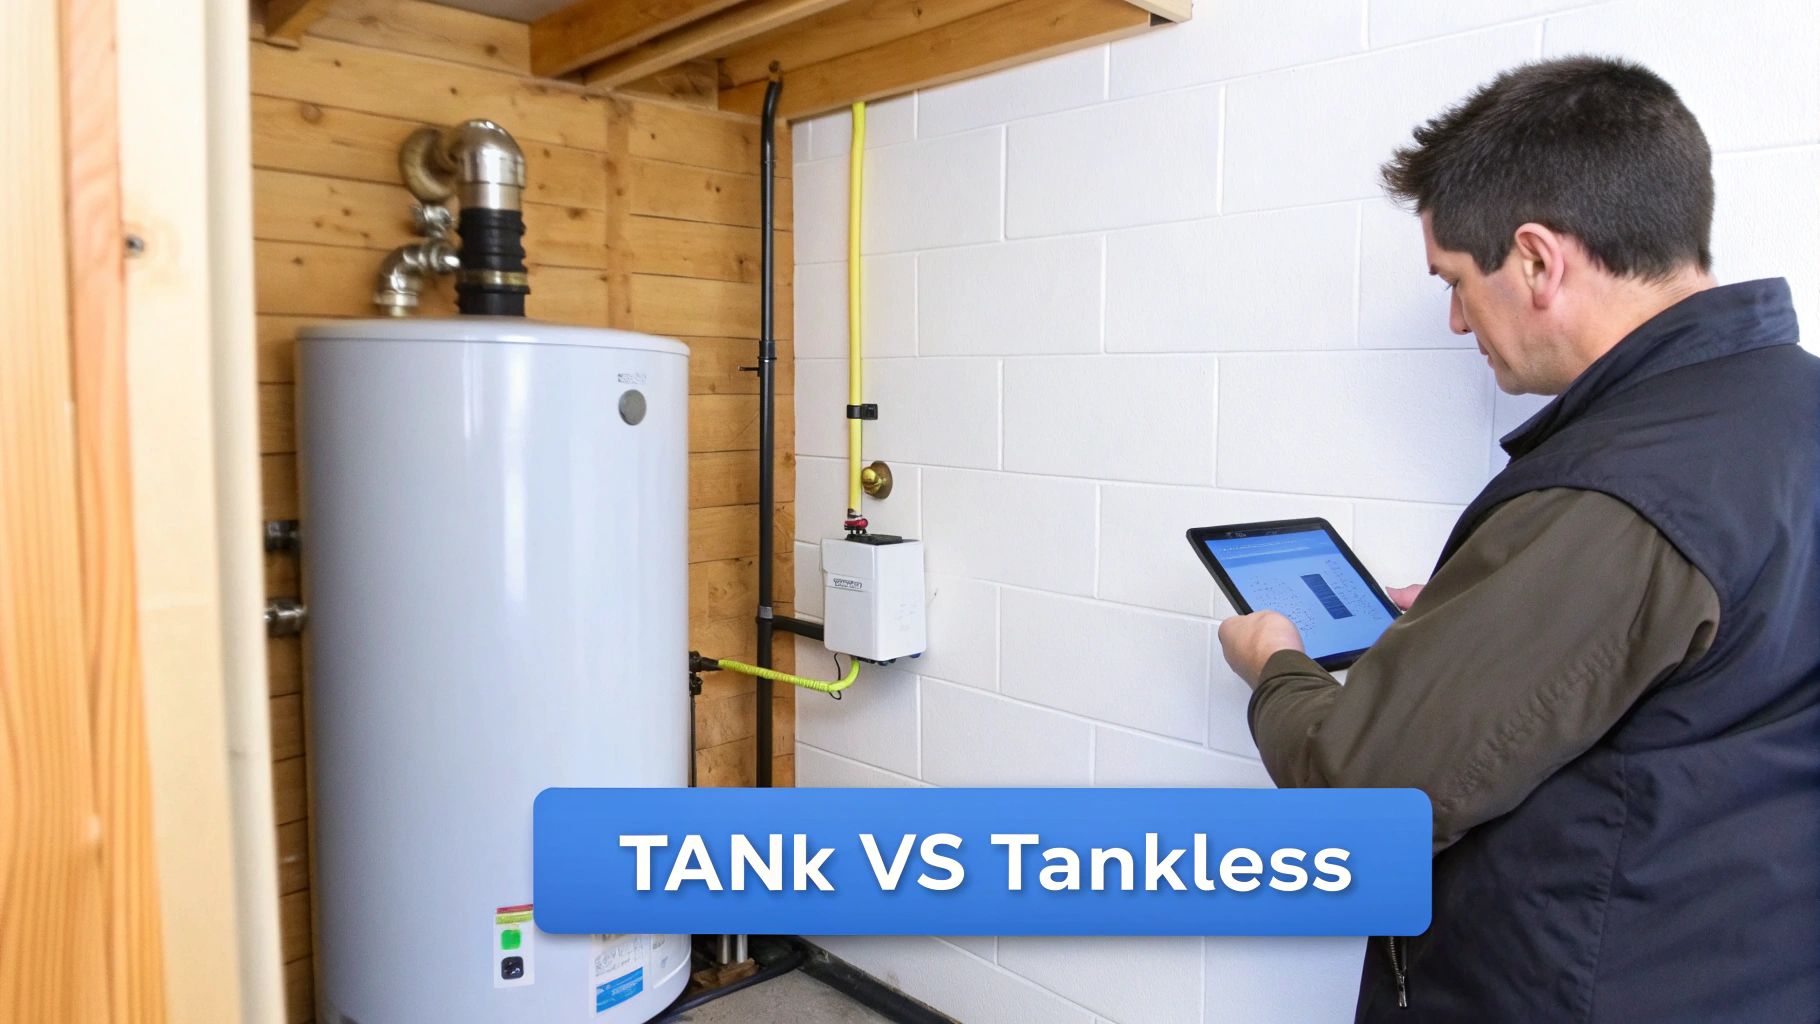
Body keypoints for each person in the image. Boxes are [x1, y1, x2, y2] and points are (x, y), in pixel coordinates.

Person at [1213, 56, 1820, 1022]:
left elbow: (1365, 799)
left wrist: (1277, 666)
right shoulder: (1788, 404)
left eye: (1456, 280)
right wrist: (1478, 619)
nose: (1456, 320)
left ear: (1536, 259)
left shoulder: (1617, 493)